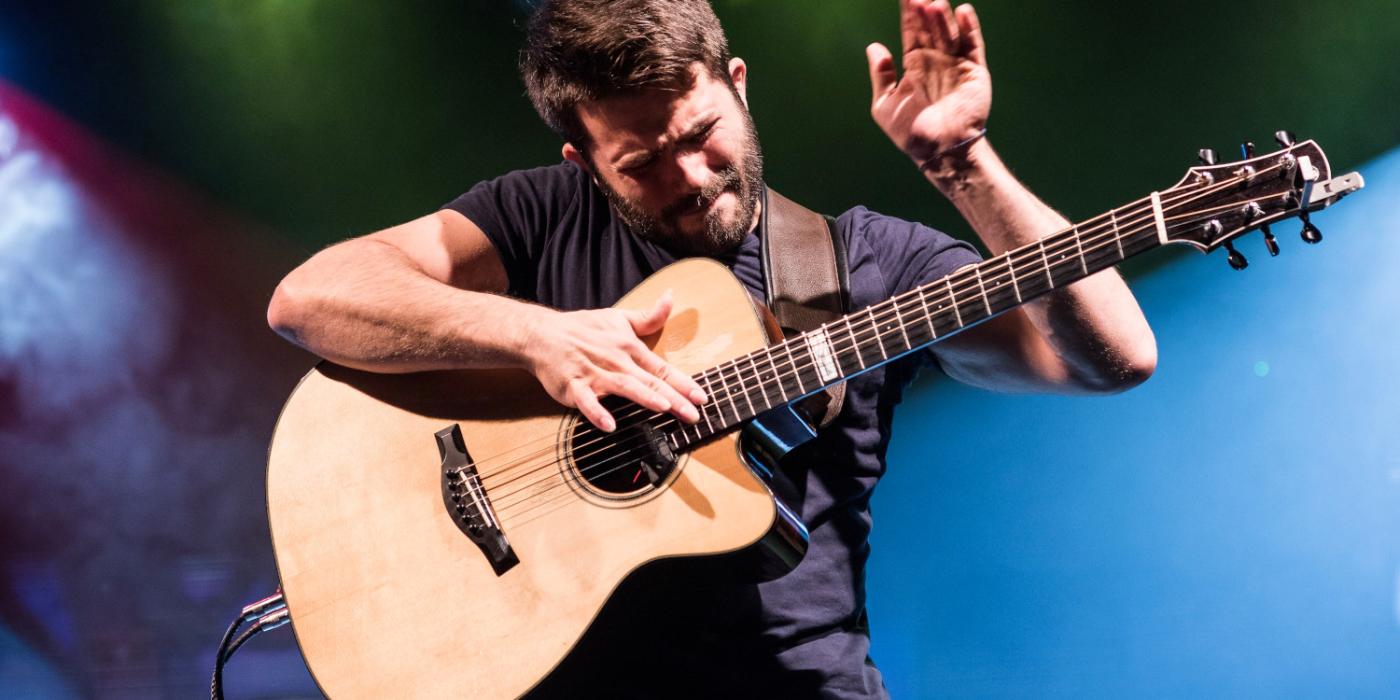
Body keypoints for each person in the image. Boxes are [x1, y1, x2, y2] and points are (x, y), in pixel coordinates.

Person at [267, 0, 1157, 696]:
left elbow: (1112, 359)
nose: (689, 177)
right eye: (641, 163)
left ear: (738, 83)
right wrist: (536, 334)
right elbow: (307, 300)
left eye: (700, 134)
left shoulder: (869, 261)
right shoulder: (539, 215)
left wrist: (960, 159)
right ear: (583, 161)